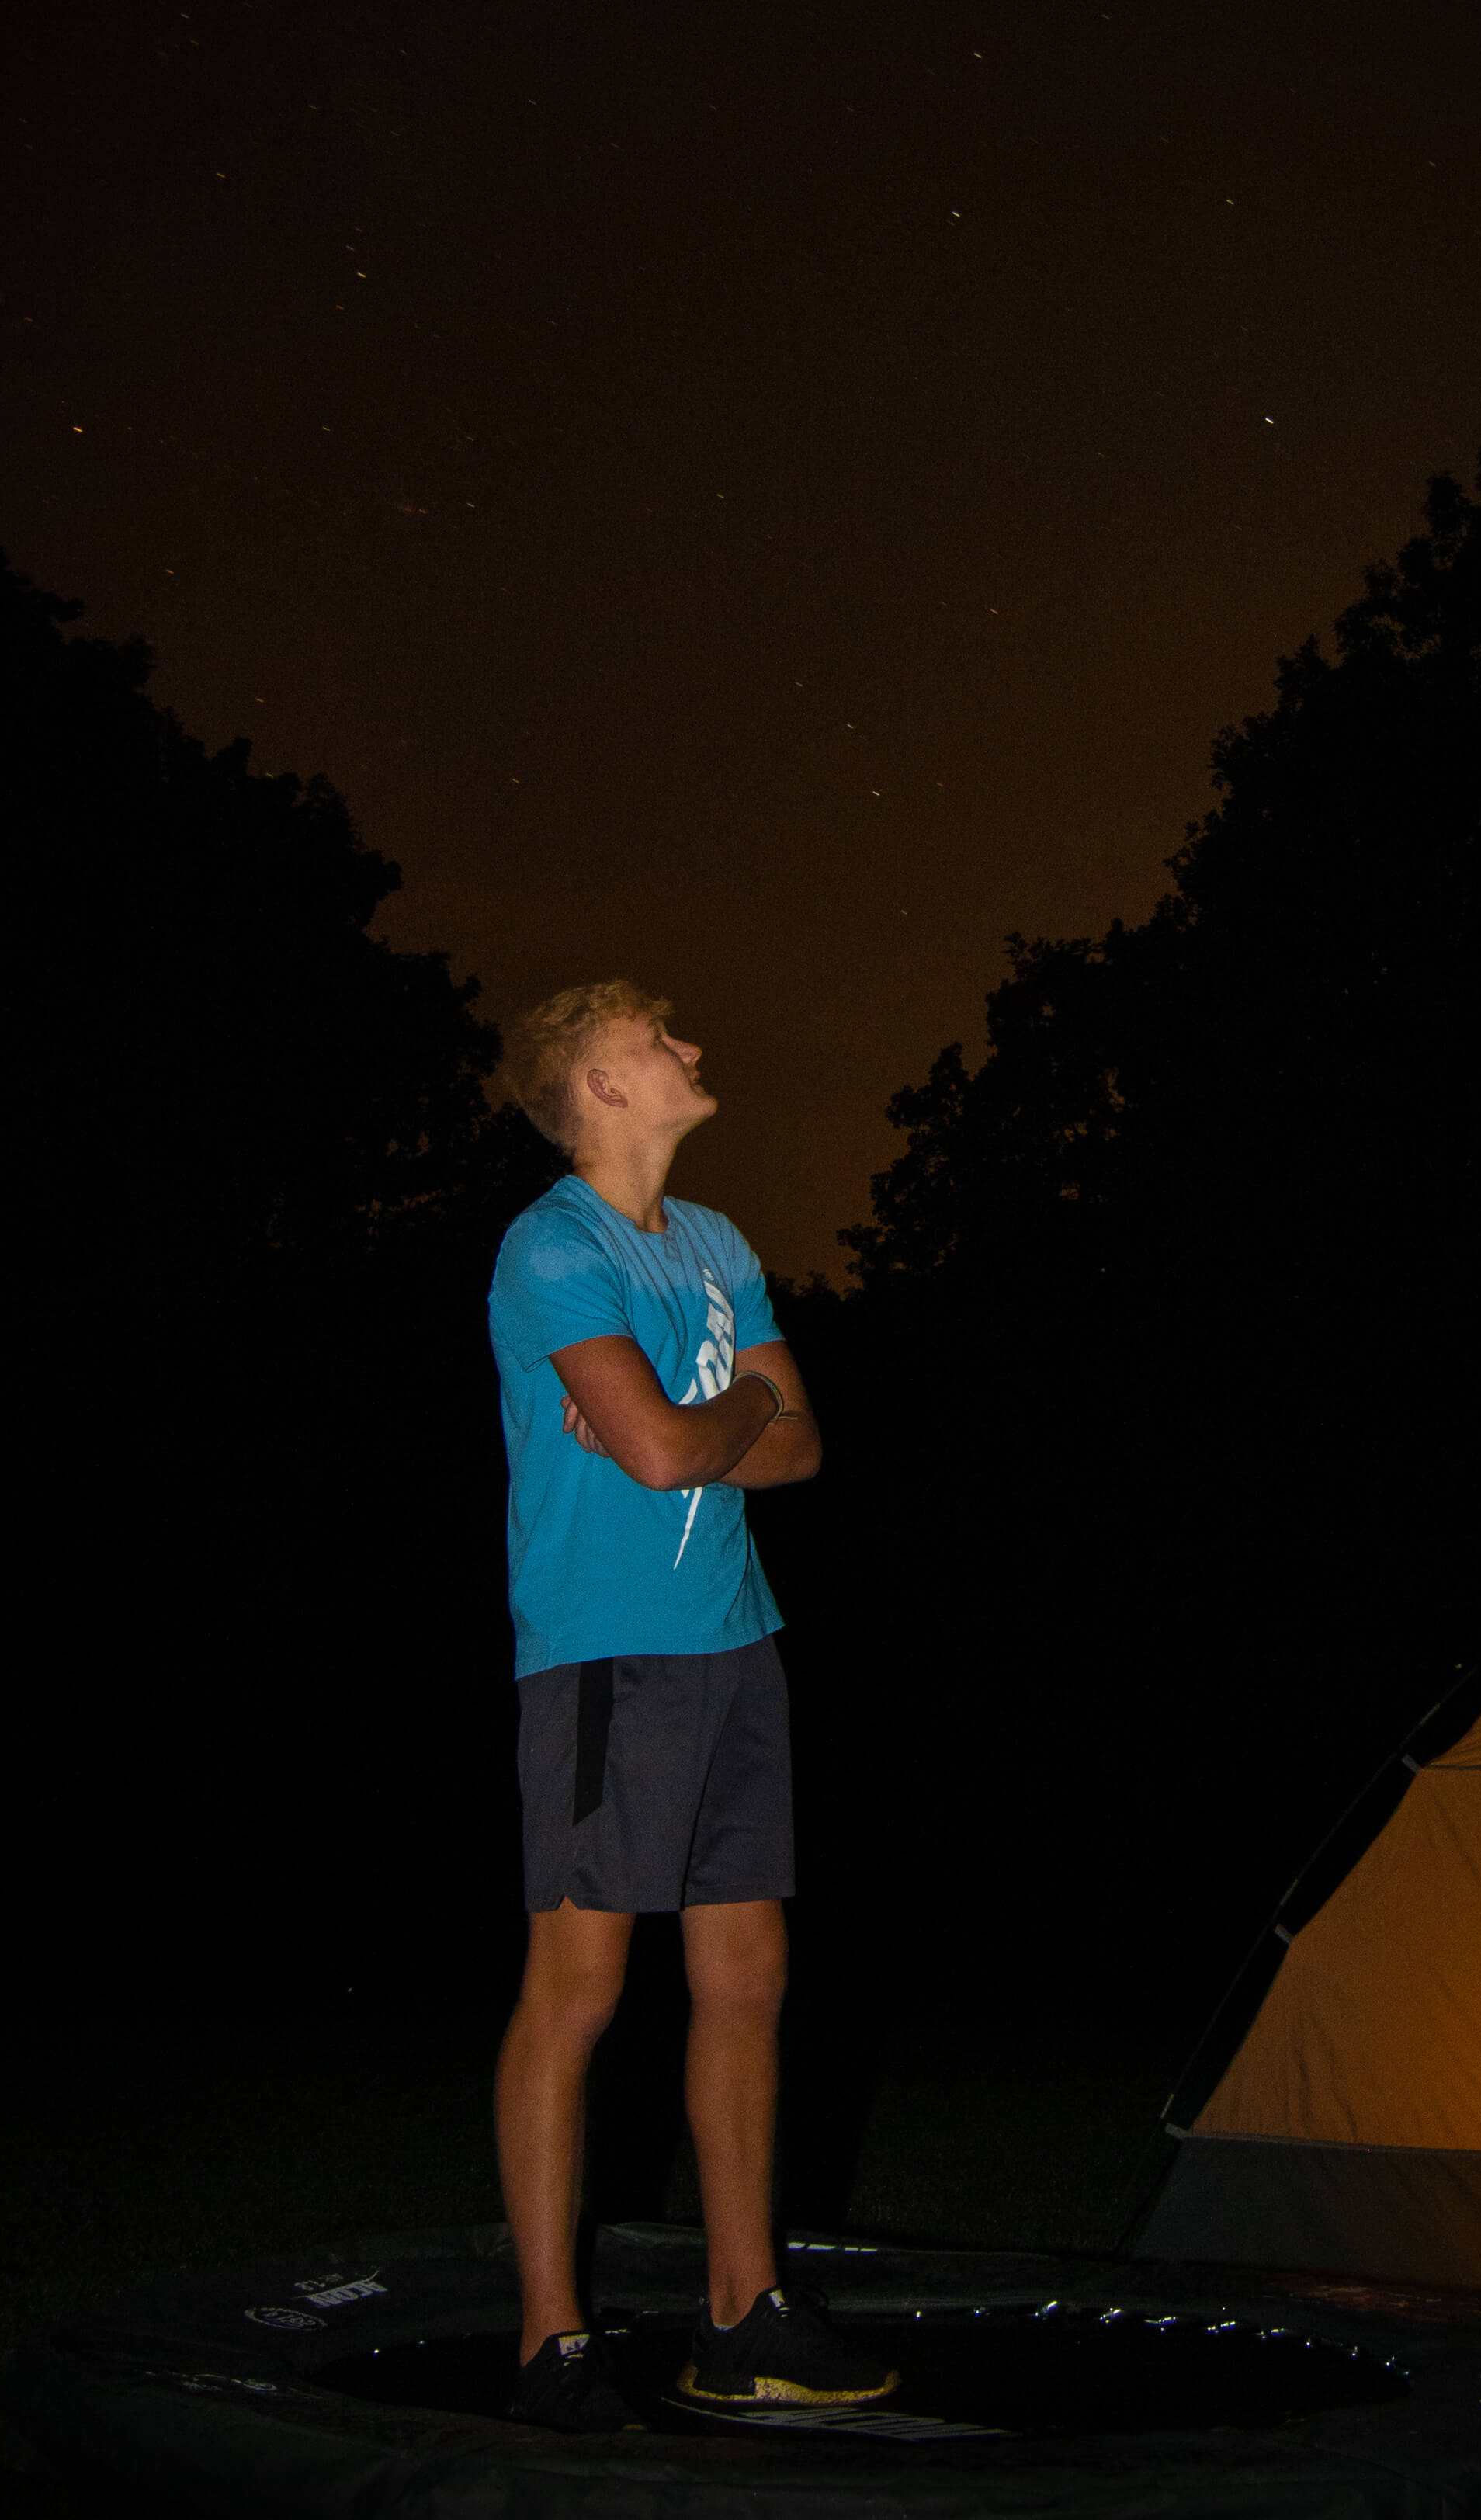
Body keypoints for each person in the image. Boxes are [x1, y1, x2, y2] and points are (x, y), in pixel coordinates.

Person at [485, 980, 897, 2433]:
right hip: (606, 1658)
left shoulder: (716, 1245)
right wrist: (722, 1423)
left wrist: (698, 1425)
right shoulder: (548, 1248)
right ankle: (551, 2341)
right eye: (661, 1036)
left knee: (747, 1983)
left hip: (740, 1645)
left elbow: (792, 1445)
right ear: (595, 1082)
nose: (693, 1048)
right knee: (580, 1991)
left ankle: (743, 2311)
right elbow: (677, 1449)